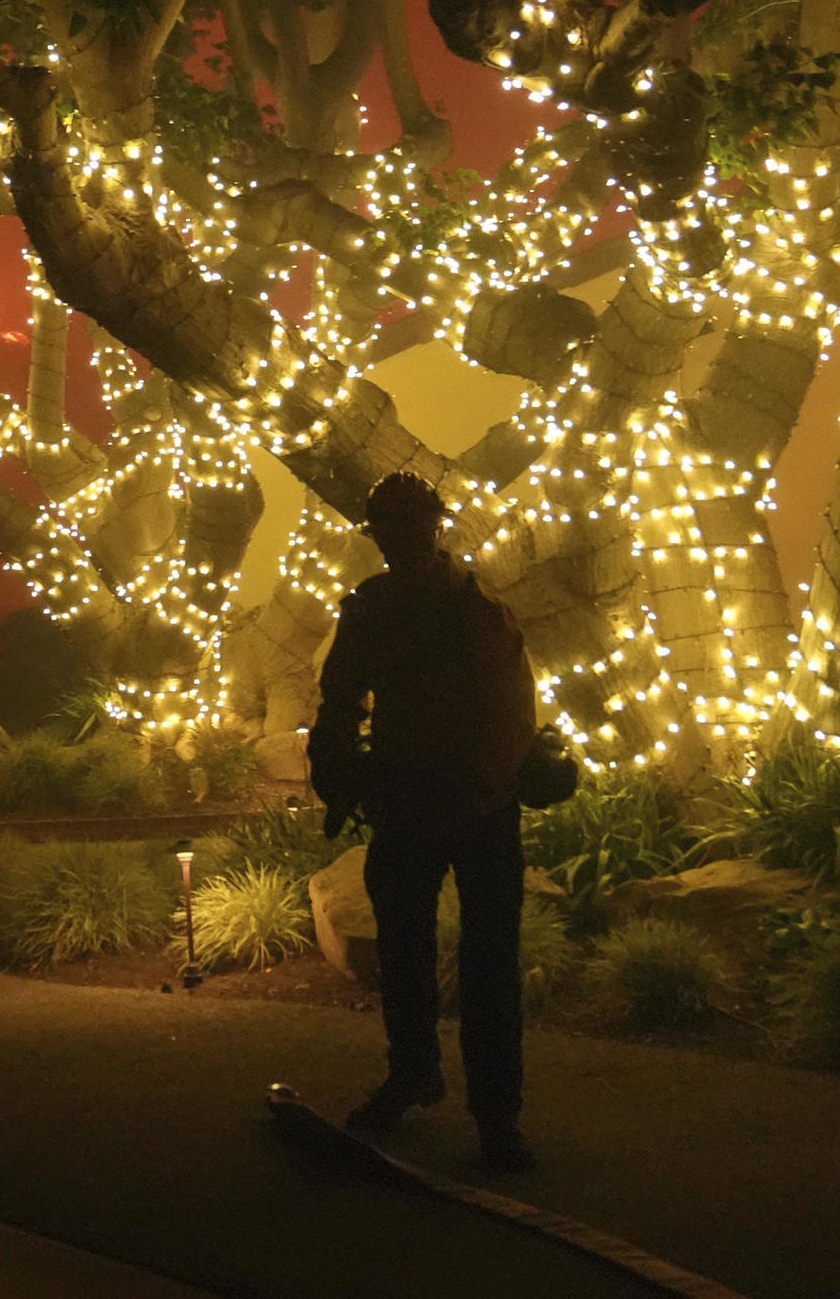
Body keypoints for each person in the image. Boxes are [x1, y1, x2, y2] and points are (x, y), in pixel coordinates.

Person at [309, 471, 540, 1170]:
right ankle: (414, 1075)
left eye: (412, 526)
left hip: (475, 807)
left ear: (434, 528)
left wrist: (484, 782)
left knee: (489, 967)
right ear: (378, 534)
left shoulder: (475, 611)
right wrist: (342, 776)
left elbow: (510, 708)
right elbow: (340, 703)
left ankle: (496, 1115)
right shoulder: (373, 610)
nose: (401, 539)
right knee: (407, 955)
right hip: (414, 803)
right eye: (390, 528)